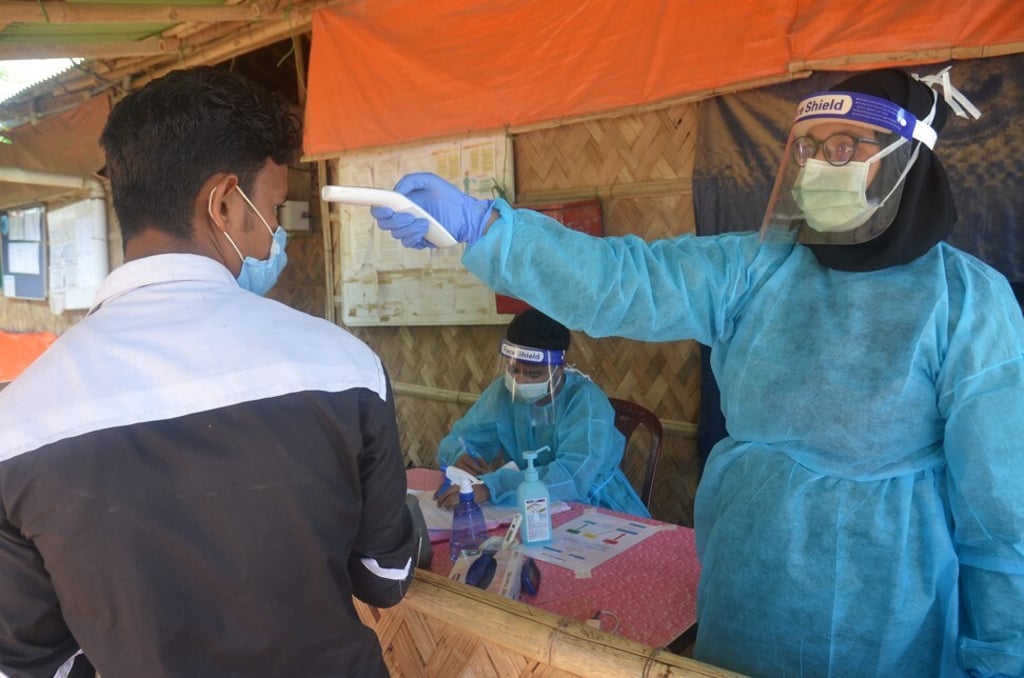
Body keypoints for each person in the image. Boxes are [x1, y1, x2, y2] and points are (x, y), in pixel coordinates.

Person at [372, 68, 1024, 677]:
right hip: (749, 585)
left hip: (888, 619)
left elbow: (1002, 515)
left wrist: (1001, 659)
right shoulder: (755, 268)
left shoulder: (967, 302)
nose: (822, 165)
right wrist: (488, 230)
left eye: (847, 147)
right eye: (811, 148)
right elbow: (623, 282)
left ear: (907, 163)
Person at [0, 66, 417, 678]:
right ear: (224, 202)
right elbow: (385, 577)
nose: (277, 233)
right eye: (273, 208)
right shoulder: (344, 368)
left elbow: (30, 660)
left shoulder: (18, 424)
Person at [433, 308, 649, 518]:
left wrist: (493, 487)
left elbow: (573, 477)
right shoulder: (504, 391)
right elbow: (460, 438)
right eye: (514, 370)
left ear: (560, 367)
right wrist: (459, 455)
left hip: (593, 505)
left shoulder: (586, 402)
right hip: (522, 500)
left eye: (534, 374)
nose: (520, 381)